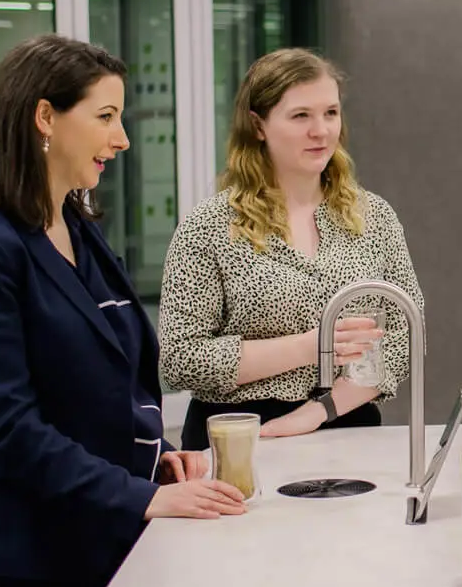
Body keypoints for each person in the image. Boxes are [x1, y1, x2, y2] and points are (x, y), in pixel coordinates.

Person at [0, 36, 245, 587]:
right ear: (45, 116)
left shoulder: (75, 224)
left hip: (102, 535)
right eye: (105, 117)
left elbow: (106, 379)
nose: (122, 138)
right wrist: (140, 497)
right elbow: (10, 429)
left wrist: (155, 459)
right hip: (33, 559)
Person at [159, 49, 419, 448]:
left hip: (348, 425)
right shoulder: (208, 227)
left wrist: (319, 411)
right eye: (301, 116)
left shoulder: (374, 217)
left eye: (331, 113)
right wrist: (310, 347)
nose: (321, 131)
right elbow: (180, 359)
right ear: (258, 125)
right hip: (240, 436)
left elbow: (404, 335)